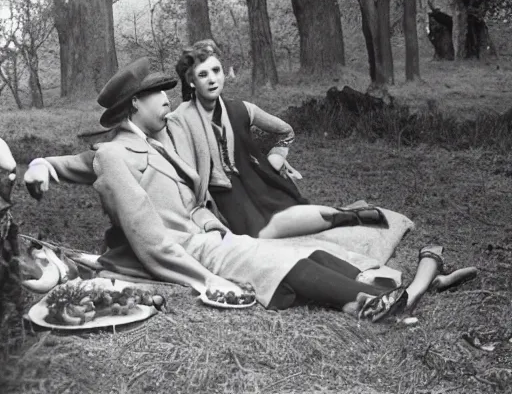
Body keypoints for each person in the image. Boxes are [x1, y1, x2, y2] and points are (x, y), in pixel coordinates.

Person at [23, 58, 466, 320]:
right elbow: (152, 240)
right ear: (134, 104)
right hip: (190, 251)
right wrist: (207, 280)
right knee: (266, 261)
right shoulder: (115, 155)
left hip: (210, 236)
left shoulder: (152, 140)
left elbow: (75, 163)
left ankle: (386, 290)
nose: (167, 98)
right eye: (157, 92)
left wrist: (42, 163)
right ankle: (372, 302)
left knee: (290, 253)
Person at [170, 40, 387, 239]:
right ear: (191, 82)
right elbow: (182, 168)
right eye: (203, 74)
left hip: (256, 179)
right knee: (260, 235)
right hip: (220, 192)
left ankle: (347, 216)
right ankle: (347, 215)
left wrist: (276, 156)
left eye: (216, 71)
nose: (212, 79)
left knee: (284, 214)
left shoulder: (242, 109)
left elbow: (286, 132)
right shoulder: (180, 119)